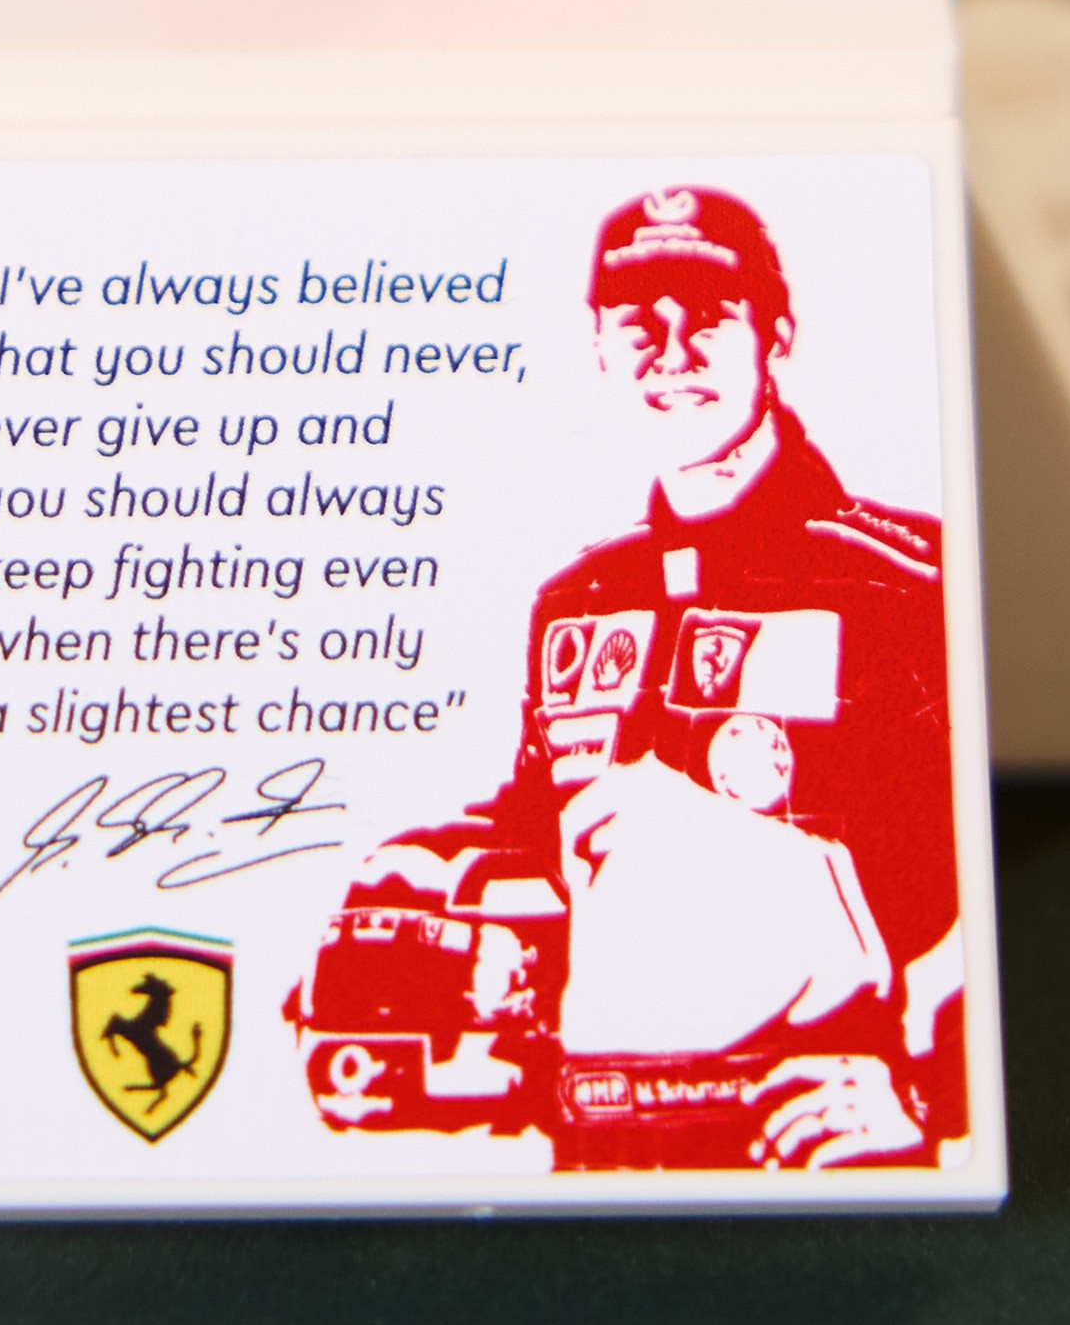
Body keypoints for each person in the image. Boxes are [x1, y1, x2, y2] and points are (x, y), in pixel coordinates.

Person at [287, 187, 967, 1171]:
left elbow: (991, 868)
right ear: (600, 347)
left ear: (776, 336)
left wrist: (929, 1092)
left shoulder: (904, 582)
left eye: (711, 316)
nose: (672, 350)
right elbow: (548, 829)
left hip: (815, 1137)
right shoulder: (581, 600)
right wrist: (425, 864)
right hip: (605, 1138)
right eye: (638, 321)